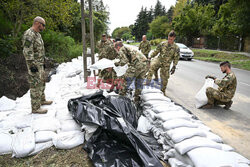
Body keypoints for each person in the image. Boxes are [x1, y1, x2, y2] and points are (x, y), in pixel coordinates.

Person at [22, 16, 53, 114]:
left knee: (42, 82)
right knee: (35, 85)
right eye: (43, 25)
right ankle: (35, 108)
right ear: (37, 23)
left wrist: (43, 62)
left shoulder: (38, 35)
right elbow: (27, 50)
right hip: (34, 65)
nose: (44, 27)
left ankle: (42, 100)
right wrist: (32, 65)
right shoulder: (29, 34)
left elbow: (40, 49)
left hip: (40, 63)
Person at [146, 30, 180, 95]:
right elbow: (156, 51)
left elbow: (176, 58)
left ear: (174, 38)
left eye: (171, 39)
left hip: (166, 64)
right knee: (152, 66)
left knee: (165, 78)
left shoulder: (176, 48)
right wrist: (150, 57)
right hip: (159, 60)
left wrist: (174, 66)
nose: (169, 40)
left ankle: (163, 91)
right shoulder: (163, 44)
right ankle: (147, 82)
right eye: (169, 38)